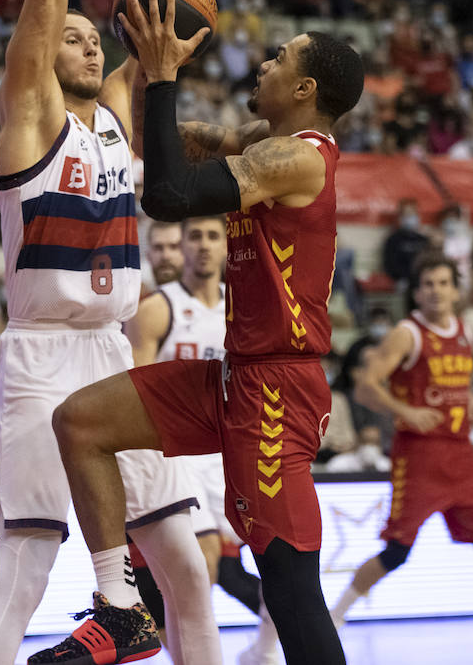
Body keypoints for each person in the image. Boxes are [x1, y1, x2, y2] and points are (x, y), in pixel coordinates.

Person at [41, 0, 365, 664]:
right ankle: (122, 609)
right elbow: (173, 141)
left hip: (276, 390)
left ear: (306, 90)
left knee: (289, 586)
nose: (265, 61)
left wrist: (162, 76)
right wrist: (118, 80)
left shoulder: (294, 158)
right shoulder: (258, 140)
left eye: (281, 56)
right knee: (81, 422)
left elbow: (166, 194)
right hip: (235, 375)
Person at [0, 0, 217, 665]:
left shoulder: (117, 107)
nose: (87, 40)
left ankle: (139, 623)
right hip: (40, 357)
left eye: (92, 35)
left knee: (182, 569)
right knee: (25, 567)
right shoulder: (32, 118)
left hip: (114, 351)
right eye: (71, 35)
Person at [333, 255, 473, 663]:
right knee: (396, 552)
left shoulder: (463, 331)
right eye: (428, 283)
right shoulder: (406, 334)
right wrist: (404, 410)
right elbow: (365, 387)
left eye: (443, 283)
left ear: (456, 290)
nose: (435, 290)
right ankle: (333, 620)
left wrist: (472, 399)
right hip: (420, 456)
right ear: (417, 291)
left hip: (461, 454)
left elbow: (454, 382)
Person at [125, 215, 280, 664]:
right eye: (195, 236)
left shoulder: (244, 307)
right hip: (180, 454)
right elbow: (135, 390)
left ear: (229, 246)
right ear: (182, 246)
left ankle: (264, 652)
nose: (205, 245)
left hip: (232, 452)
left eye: (214, 236)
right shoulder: (158, 308)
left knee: (278, 557)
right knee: (203, 564)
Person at [144, 220, 184, 290]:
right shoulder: (138, 300)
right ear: (148, 255)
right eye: (158, 248)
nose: (165, 256)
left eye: (174, 247)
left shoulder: (204, 300)